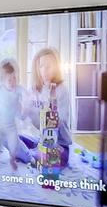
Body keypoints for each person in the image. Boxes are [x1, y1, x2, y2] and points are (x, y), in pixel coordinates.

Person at [30, 46, 74, 187]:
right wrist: (25, 111)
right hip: (42, 141)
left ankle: (35, 155)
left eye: (49, 66)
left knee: (45, 161)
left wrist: (48, 110)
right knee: (15, 138)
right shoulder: (34, 90)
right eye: (41, 66)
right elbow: (37, 124)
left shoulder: (61, 90)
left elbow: (58, 122)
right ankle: (34, 152)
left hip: (59, 145)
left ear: (56, 68)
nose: (45, 70)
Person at [0, 59, 25, 174]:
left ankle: (12, 159)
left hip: (11, 125)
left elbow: (26, 95)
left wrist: (27, 103)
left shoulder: (18, 89)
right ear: (2, 80)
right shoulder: (0, 90)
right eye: (9, 79)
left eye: (14, 78)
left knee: (14, 144)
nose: (12, 82)